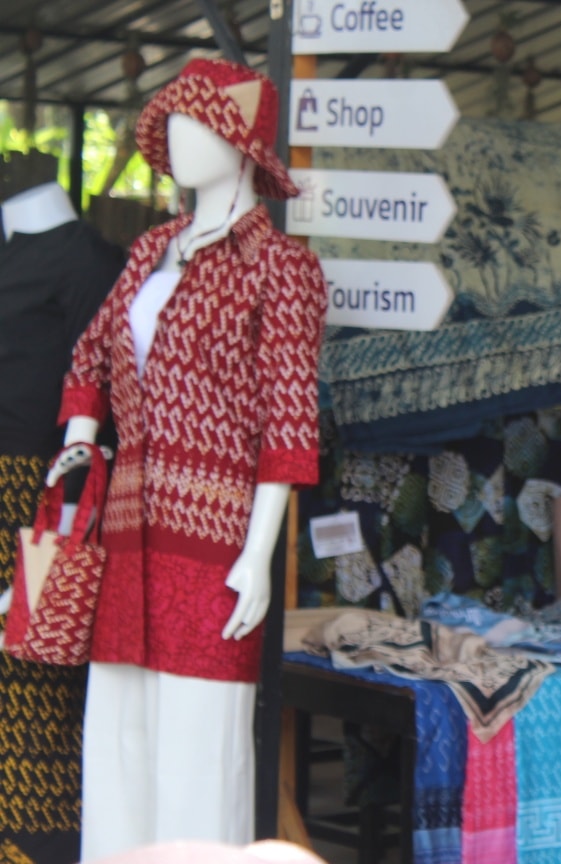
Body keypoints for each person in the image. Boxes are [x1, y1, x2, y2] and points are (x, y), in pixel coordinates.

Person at [46, 58, 327, 860]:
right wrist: (74, 450)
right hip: (127, 541)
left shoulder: (281, 268)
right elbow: (89, 361)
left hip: (215, 551)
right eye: (169, 118)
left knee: (200, 762)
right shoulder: (148, 253)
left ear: (241, 143)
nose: (176, 134)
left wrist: (259, 557)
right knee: (118, 751)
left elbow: (287, 418)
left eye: (197, 121)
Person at [0, 181, 122, 864]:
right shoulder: (14, 258)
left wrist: (46, 559)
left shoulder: (91, 269)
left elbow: (93, 429)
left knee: (34, 703)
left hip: (38, 510)